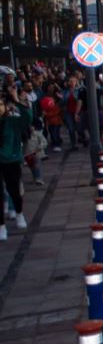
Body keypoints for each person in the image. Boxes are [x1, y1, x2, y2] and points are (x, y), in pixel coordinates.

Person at [0, 90, 32, 241]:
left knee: (14, 190)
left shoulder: (12, 121)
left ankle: (19, 213)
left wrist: (17, 101)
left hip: (11, 161)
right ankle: (1, 226)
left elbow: (27, 118)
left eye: (0, 104)